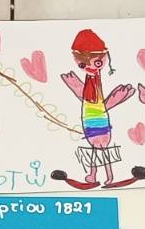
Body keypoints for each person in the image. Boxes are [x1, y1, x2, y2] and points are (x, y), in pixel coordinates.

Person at [58, 29, 136, 189]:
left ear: (105, 58)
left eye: (97, 63)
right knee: (97, 151)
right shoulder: (91, 82)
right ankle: (97, 175)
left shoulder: (94, 83)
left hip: (98, 123)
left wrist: (118, 97)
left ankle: (107, 176)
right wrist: (74, 84)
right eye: (82, 64)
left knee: (102, 150)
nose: (89, 67)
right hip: (91, 124)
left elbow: (98, 104)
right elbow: (90, 100)